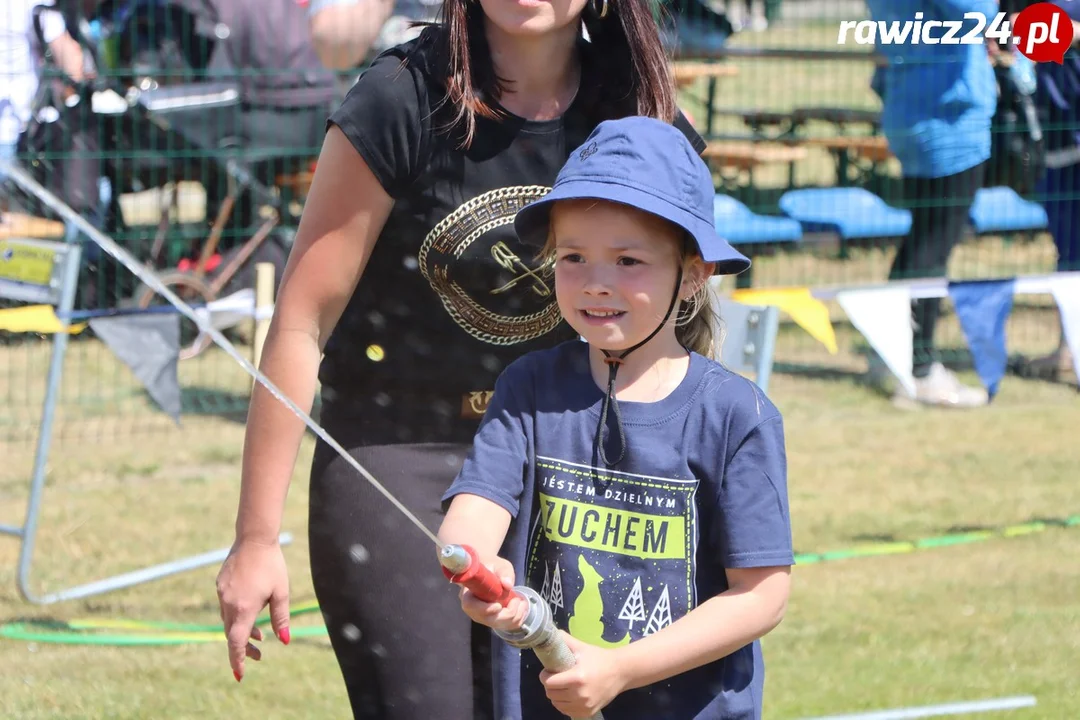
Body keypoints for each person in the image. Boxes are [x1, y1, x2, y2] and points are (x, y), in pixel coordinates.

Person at [213, 0, 705, 716]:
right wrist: (255, 537)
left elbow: (678, 315)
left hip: (567, 470)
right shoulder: (401, 98)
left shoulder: (638, 111)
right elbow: (300, 321)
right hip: (397, 458)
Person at [438, 117, 794, 720]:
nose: (597, 283)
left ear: (694, 274)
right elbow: (471, 518)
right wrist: (477, 568)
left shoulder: (738, 415)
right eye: (574, 256)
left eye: (628, 261)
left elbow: (761, 596)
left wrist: (620, 670)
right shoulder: (528, 387)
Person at [865, 0, 998, 408]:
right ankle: (920, 371)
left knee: (921, 240)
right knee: (932, 248)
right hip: (949, 120)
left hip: (911, 110)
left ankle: (890, 355)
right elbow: (977, 12)